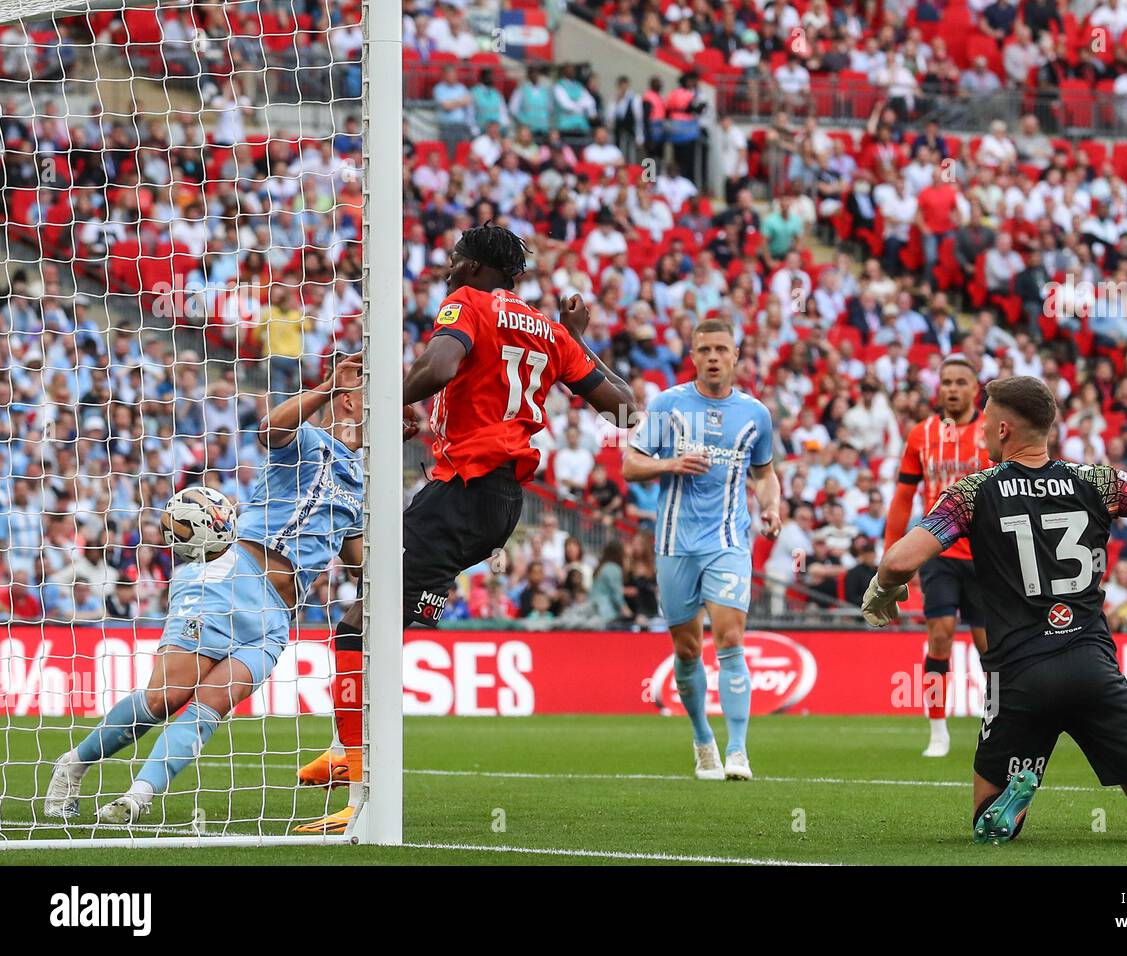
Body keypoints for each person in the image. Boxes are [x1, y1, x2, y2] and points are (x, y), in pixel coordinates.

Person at [295, 225, 635, 832]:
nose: (448, 270)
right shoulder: (551, 332)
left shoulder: (469, 304)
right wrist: (578, 341)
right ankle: (353, 752)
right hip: (500, 506)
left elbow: (442, 361)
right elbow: (626, 406)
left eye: (456, 261)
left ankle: (358, 778)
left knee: (358, 629)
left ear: (479, 269)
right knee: (378, 614)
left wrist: (383, 399)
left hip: (462, 490)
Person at [862, 375, 1127, 847]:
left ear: (1003, 431)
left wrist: (885, 587)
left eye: (986, 420)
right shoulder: (1101, 481)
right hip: (1092, 667)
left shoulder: (971, 492)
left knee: (987, 819)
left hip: (1019, 675)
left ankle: (1011, 802)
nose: (980, 429)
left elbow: (898, 560)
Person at [45, 355, 374, 824]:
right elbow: (267, 431)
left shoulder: (361, 487)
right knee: (164, 698)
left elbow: (360, 559)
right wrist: (326, 386)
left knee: (209, 707)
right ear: (344, 403)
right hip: (229, 579)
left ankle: (137, 798)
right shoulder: (308, 441)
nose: (365, 409)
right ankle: (73, 764)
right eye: (359, 400)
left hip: (276, 618)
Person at [623, 318, 781, 781]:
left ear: (736, 356)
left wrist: (771, 508)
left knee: (731, 639)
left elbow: (765, 473)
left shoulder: (756, 414)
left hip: (729, 541)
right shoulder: (668, 405)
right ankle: (701, 738)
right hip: (675, 543)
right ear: (693, 356)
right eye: (705, 350)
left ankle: (738, 751)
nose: (713, 357)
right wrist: (671, 463)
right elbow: (630, 464)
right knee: (688, 649)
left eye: (721, 350)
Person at [884, 355, 990, 758]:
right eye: (946, 381)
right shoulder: (921, 435)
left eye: (960, 382)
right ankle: (937, 729)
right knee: (940, 635)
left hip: (984, 553)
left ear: (975, 389)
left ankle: (994, 720)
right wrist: (892, 555)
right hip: (939, 550)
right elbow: (902, 498)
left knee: (988, 645)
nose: (951, 389)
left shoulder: (993, 434)